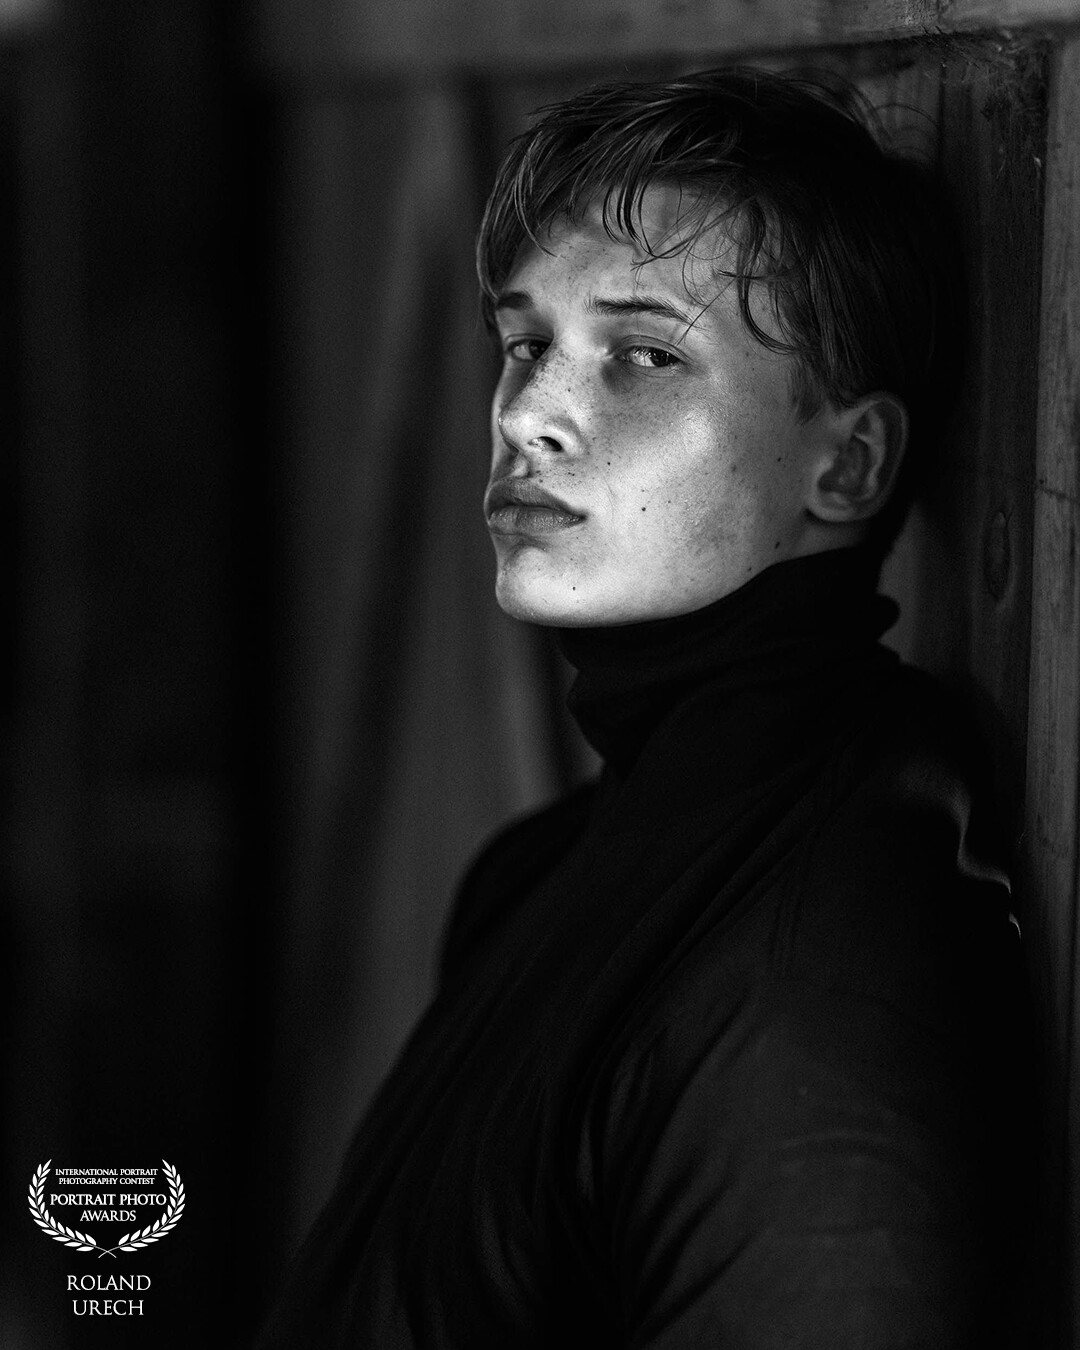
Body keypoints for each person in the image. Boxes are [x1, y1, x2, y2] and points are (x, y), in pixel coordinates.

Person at [257, 68, 1032, 1348]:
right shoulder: (540, 869)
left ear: (847, 464)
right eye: (526, 343)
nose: (529, 416)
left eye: (646, 355)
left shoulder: (814, 979)